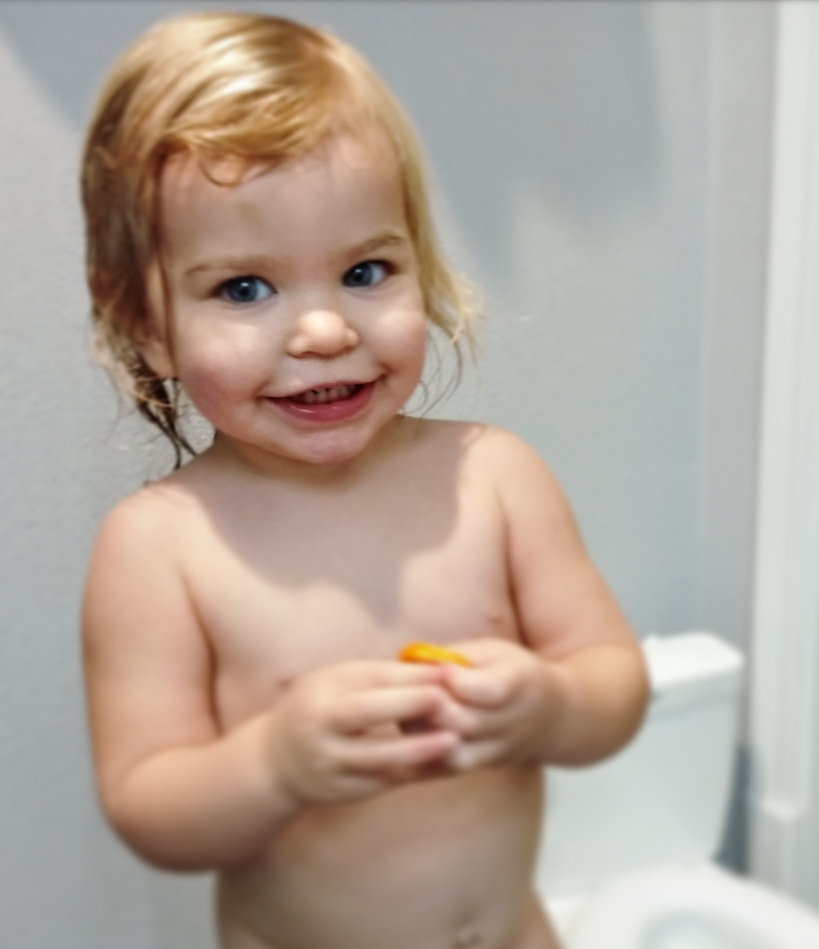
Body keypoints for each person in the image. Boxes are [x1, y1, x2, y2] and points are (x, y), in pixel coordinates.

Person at [80, 12, 649, 949]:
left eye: (365, 270)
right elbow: (149, 805)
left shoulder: (495, 478)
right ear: (147, 325)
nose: (324, 331)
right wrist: (275, 765)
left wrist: (553, 706)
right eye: (245, 288)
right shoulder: (161, 547)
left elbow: (614, 683)